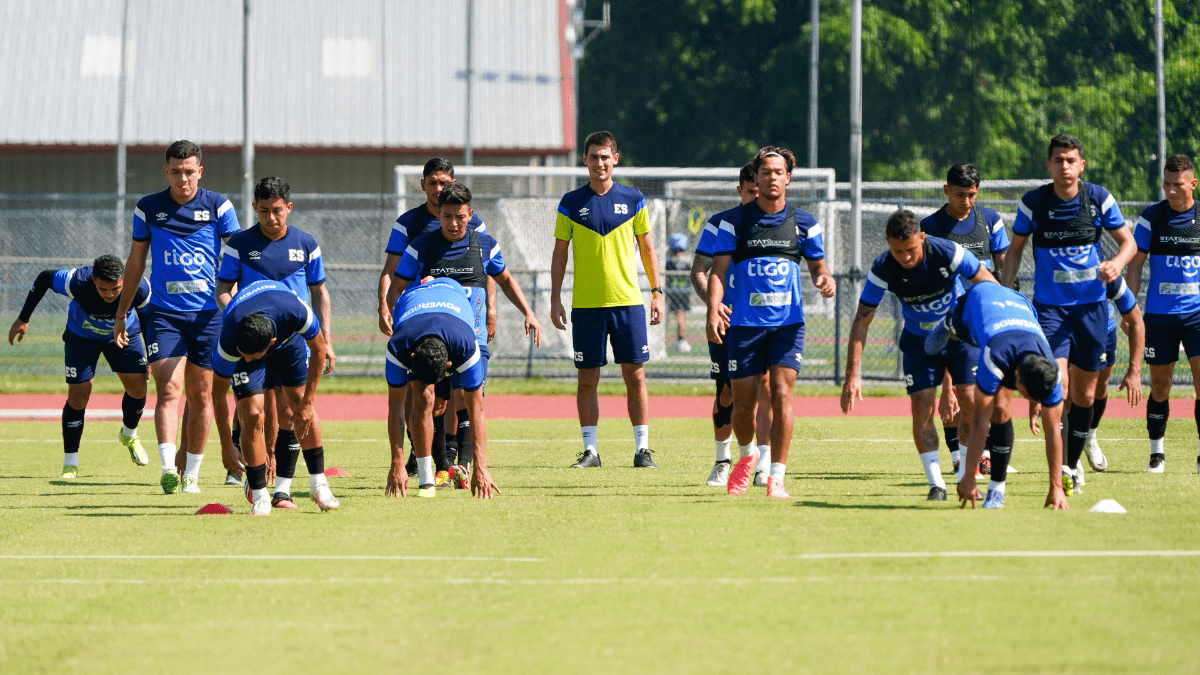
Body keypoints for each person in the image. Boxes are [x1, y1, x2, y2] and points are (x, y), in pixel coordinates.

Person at [1000, 133, 1135, 491]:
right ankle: (1058, 466)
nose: (1064, 167)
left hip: (1091, 310)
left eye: (1071, 160)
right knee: (1056, 384)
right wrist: (1004, 288)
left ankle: (1072, 463)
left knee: (1086, 396)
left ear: (1081, 164)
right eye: (1058, 160)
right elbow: (1015, 250)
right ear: (1049, 164)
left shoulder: (1098, 198)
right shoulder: (1033, 202)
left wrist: (1117, 265)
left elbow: (1129, 242)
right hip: (1050, 312)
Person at [387, 182, 542, 488]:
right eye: (447, 217)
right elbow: (398, 285)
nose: (454, 223)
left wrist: (529, 312)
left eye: (460, 216)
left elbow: (506, 280)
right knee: (432, 399)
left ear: (470, 214)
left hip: (473, 335)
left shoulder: (484, 244)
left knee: (471, 396)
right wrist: (392, 313)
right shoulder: (421, 245)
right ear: (438, 214)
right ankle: (440, 465)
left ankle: (467, 465)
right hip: (433, 334)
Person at [706, 145, 837, 498]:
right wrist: (712, 310)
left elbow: (818, 266)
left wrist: (825, 278)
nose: (772, 177)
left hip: (787, 326)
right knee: (743, 405)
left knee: (781, 393)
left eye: (778, 172)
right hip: (745, 327)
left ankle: (776, 476)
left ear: (788, 178)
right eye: (765, 172)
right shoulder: (735, 221)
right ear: (757, 178)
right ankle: (747, 456)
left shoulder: (805, 223)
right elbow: (717, 272)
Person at [841, 210, 995, 501]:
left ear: (922, 238)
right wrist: (852, 374)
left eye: (911, 249)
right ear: (888, 243)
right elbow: (862, 320)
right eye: (898, 251)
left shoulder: (948, 252)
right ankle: (937, 485)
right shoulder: (884, 268)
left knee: (969, 399)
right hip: (919, 343)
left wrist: (996, 324)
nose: (906, 257)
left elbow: (985, 281)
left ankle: (964, 476)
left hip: (958, 337)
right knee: (922, 406)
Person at [114, 140, 241, 495]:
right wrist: (122, 312)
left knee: (201, 396)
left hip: (208, 316)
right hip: (164, 314)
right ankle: (169, 468)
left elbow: (238, 258)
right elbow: (136, 262)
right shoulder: (148, 208)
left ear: (200, 171)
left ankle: (192, 476)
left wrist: (239, 303)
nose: (182, 178)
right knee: (168, 389)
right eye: (176, 171)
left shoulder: (219, 206)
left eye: (189, 172)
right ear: (166, 171)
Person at [214, 176, 336, 508]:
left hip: (294, 333)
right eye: (264, 211)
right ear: (255, 208)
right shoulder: (239, 243)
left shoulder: (306, 243)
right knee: (252, 414)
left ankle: (294, 487)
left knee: (293, 410)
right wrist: (238, 317)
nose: (271, 217)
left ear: (289, 208)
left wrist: (327, 338)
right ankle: (259, 492)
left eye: (277, 210)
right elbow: (222, 289)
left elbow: (319, 292)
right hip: (252, 338)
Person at [550, 131, 664, 469]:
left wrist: (657, 292)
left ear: (615, 159)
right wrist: (555, 298)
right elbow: (559, 253)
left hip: (627, 302)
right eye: (593, 156)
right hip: (585, 306)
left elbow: (647, 248)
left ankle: (642, 450)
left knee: (636, 376)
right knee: (587, 380)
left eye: (605, 156)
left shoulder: (633, 198)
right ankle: (591, 452)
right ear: (584, 160)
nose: (599, 163)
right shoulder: (570, 202)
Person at [376, 157, 495, 480]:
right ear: (424, 185)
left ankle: (453, 453)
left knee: (462, 390)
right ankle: (422, 451)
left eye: (445, 183)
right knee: (422, 391)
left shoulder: (472, 223)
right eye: (433, 183)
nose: (439, 189)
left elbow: (489, 269)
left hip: (459, 318)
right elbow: (392, 273)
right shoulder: (410, 226)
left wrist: (491, 310)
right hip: (417, 318)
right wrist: (386, 307)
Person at [925, 280, 1068, 510]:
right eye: (1029, 396)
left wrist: (1056, 487)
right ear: (1017, 376)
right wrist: (968, 477)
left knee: (1002, 408)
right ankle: (948, 321)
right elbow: (980, 422)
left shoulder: (1052, 370)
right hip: (974, 306)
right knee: (932, 346)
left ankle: (996, 491)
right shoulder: (995, 357)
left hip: (1020, 305)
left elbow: (1053, 431)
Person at [8, 255, 152, 479]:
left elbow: (148, 318)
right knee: (79, 395)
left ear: (123, 279)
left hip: (124, 334)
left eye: (115, 288)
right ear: (94, 280)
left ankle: (129, 435)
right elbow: (44, 278)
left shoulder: (139, 286)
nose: (110, 294)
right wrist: (23, 318)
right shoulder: (77, 281)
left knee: (139, 388)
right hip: (81, 336)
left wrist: (152, 354)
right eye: (104, 289)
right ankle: (70, 464)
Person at [212, 280, 336, 515]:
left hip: (289, 342)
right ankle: (260, 497)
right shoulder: (231, 337)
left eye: (251, 357)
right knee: (251, 414)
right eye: (243, 356)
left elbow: (319, 349)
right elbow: (218, 393)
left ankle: (318, 484)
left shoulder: (295, 312)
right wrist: (226, 445)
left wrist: (308, 403)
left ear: (270, 343)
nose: (246, 360)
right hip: (251, 330)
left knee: (299, 404)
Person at [920, 162, 1011, 475]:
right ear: (946, 191)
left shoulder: (990, 221)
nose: (967, 201)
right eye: (960, 194)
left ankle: (983, 453)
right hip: (948, 318)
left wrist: (1008, 302)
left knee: (990, 388)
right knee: (955, 391)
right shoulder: (930, 228)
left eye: (972, 194)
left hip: (986, 316)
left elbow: (1005, 270)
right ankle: (961, 456)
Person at [690, 163, 774, 488]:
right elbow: (700, 269)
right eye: (751, 192)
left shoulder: (776, 224)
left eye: (761, 191)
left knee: (765, 389)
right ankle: (722, 459)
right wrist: (714, 306)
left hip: (765, 322)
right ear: (740, 191)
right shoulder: (721, 224)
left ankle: (762, 465)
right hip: (728, 323)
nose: (758, 197)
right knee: (726, 391)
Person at [384, 277, 503, 499]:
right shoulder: (399, 346)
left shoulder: (467, 346)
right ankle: (425, 477)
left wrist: (481, 467)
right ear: (412, 358)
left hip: (455, 295)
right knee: (421, 399)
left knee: (460, 398)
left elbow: (477, 410)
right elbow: (396, 409)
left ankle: (459, 463)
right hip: (413, 302)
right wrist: (396, 463)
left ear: (450, 364)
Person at [1125, 153, 1199, 473]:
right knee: (1160, 386)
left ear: (1193, 184)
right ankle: (1157, 453)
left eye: (1177, 185)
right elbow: (1136, 263)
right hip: (1159, 315)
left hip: (1197, 315)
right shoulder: (1151, 217)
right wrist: (1131, 311)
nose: (1170, 191)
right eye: (1166, 184)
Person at [1068, 277, 1144, 489]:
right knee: (1069, 389)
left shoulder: (1107, 273)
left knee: (1099, 386)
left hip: (1103, 327)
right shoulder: (1059, 265)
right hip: (1068, 325)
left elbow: (1136, 320)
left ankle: (1090, 438)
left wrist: (1134, 371)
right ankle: (1071, 460)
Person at [665, 233, 693, 352]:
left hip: (673, 293)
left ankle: (681, 340)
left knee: (679, 318)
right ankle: (680, 339)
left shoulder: (669, 262)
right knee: (680, 318)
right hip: (682, 293)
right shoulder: (687, 261)